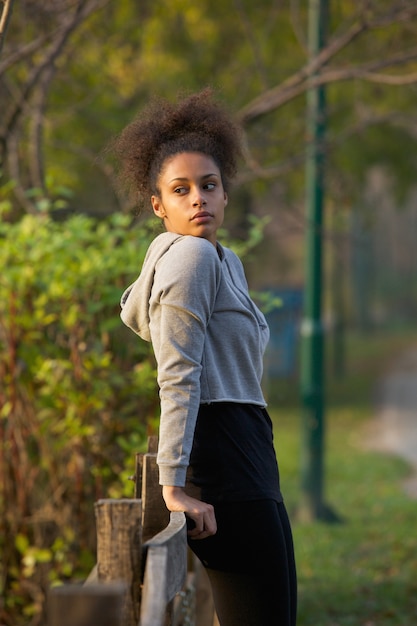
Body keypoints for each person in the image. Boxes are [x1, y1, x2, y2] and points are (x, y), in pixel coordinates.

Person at [115, 88, 297, 626]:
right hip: (224, 463)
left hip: (251, 454)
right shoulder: (189, 259)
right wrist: (173, 488)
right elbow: (178, 378)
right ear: (159, 205)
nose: (199, 198)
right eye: (181, 189)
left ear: (224, 194)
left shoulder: (225, 260)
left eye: (209, 185)